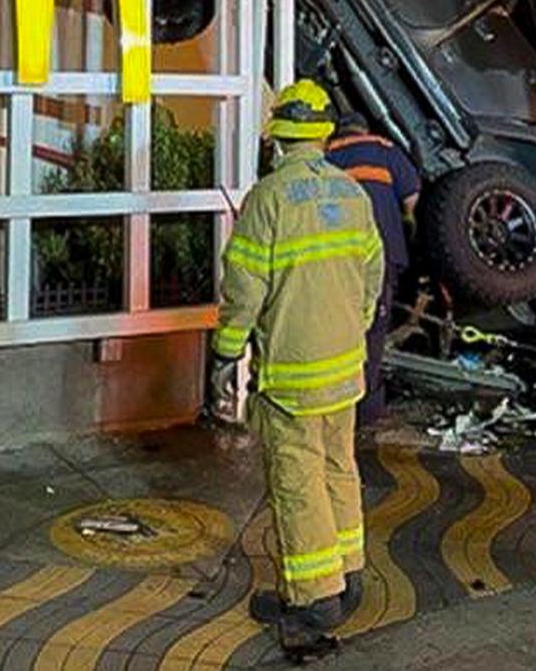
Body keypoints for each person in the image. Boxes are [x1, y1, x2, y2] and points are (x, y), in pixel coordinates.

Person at [210, 79, 384, 659]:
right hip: (345, 369)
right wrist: (349, 330)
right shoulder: (352, 195)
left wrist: (227, 352)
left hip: (292, 376)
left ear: (279, 139)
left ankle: (313, 602)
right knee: (339, 468)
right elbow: (370, 280)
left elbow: (243, 290)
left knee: (297, 482)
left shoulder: (269, 199)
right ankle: (348, 575)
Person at [325, 112, 420, 426]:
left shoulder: (328, 155)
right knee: (374, 330)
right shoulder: (384, 148)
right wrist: (409, 225)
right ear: (365, 128)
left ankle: (337, 402)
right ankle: (366, 408)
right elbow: (412, 199)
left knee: (340, 325)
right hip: (382, 251)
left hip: (340, 257)